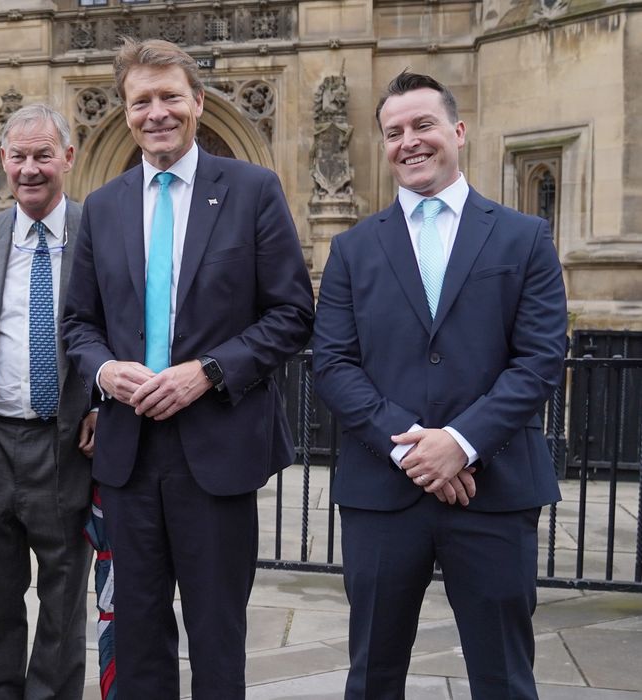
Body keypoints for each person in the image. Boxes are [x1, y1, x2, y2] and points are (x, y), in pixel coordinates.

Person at [61, 39, 314, 699]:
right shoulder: (103, 206)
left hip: (218, 449)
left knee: (216, 637)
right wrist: (104, 371)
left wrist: (208, 371)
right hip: (128, 455)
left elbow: (292, 314)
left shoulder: (252, 190)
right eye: (140, 101)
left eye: (169, 96)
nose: (156, 113)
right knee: (137, 638)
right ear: (124, 113)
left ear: (197, 102)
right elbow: (77, 323)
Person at [312, 71, 567, 699]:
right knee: (372, 678)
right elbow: (334, 363)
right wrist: (412, 449)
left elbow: (539, 358)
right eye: (393, 132)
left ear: (458, 131)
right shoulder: (351, 249)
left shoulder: (523, 236)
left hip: (493, 488)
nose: (409, 142)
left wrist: (460, 442)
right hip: (382, 493)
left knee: (504, 679)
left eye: (423, 125)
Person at [0, 103, 95, 700]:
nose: (29, 169)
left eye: (43, 155)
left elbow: (123, 328)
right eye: (18, 156)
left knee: (63, 598)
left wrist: (104, 405)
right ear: (3, 161)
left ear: (68, 157)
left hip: (65, 443)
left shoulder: (98, 231)